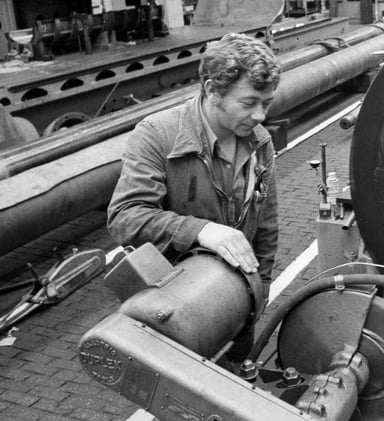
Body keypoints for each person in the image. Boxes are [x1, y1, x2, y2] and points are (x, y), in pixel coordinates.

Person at [107, 33, 281, 290]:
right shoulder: (157, 135)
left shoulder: (260, 141)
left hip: (237, 299)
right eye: (248, 103)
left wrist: (261, 289)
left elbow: (266, 227)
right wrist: (200, 230)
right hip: (172, 299)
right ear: (212, 91)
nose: (260, 115)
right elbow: (125, 218)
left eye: (266, 103)